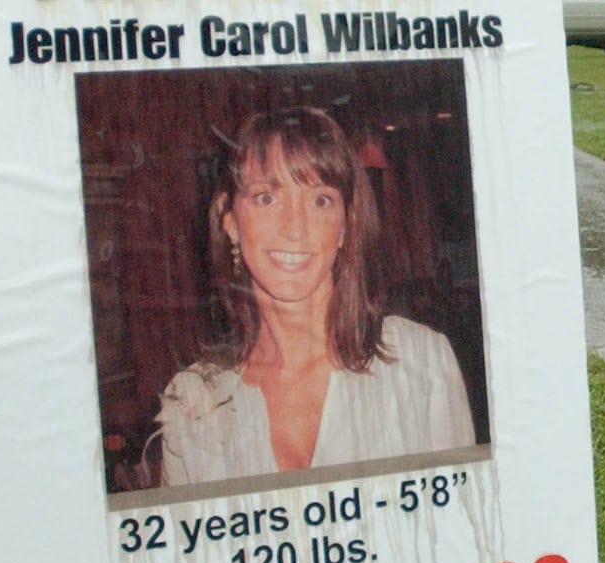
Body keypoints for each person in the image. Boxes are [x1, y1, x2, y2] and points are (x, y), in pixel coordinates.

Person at [153, 107, 476, 488]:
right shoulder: (194, 405)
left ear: (344, 226)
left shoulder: (421, 363)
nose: (295, 229)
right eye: (266, 198)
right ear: (230, 220)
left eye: (320, 200)